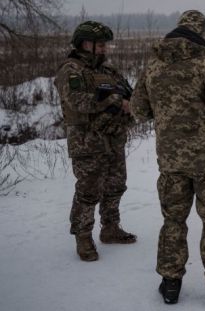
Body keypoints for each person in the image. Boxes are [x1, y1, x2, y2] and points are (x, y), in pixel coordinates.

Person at [130, 10, 205, 308]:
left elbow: (138, 111)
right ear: (201, 33)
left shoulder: (152, 68)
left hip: (170, 162)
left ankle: (170, 283)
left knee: (173, 221)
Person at [54, 21, 137, 262]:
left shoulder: (109, 70)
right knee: (89, 190)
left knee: (115, 185)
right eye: (99, 44)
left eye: (105, 44)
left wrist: (131, 105)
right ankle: (83, 237)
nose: (104, 48)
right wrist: (114, 101)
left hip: (113, 137)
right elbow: (78, 101)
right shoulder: (71, 70)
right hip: (86, 141)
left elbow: (128, 93)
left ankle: (110, 228)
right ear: (84, 44)